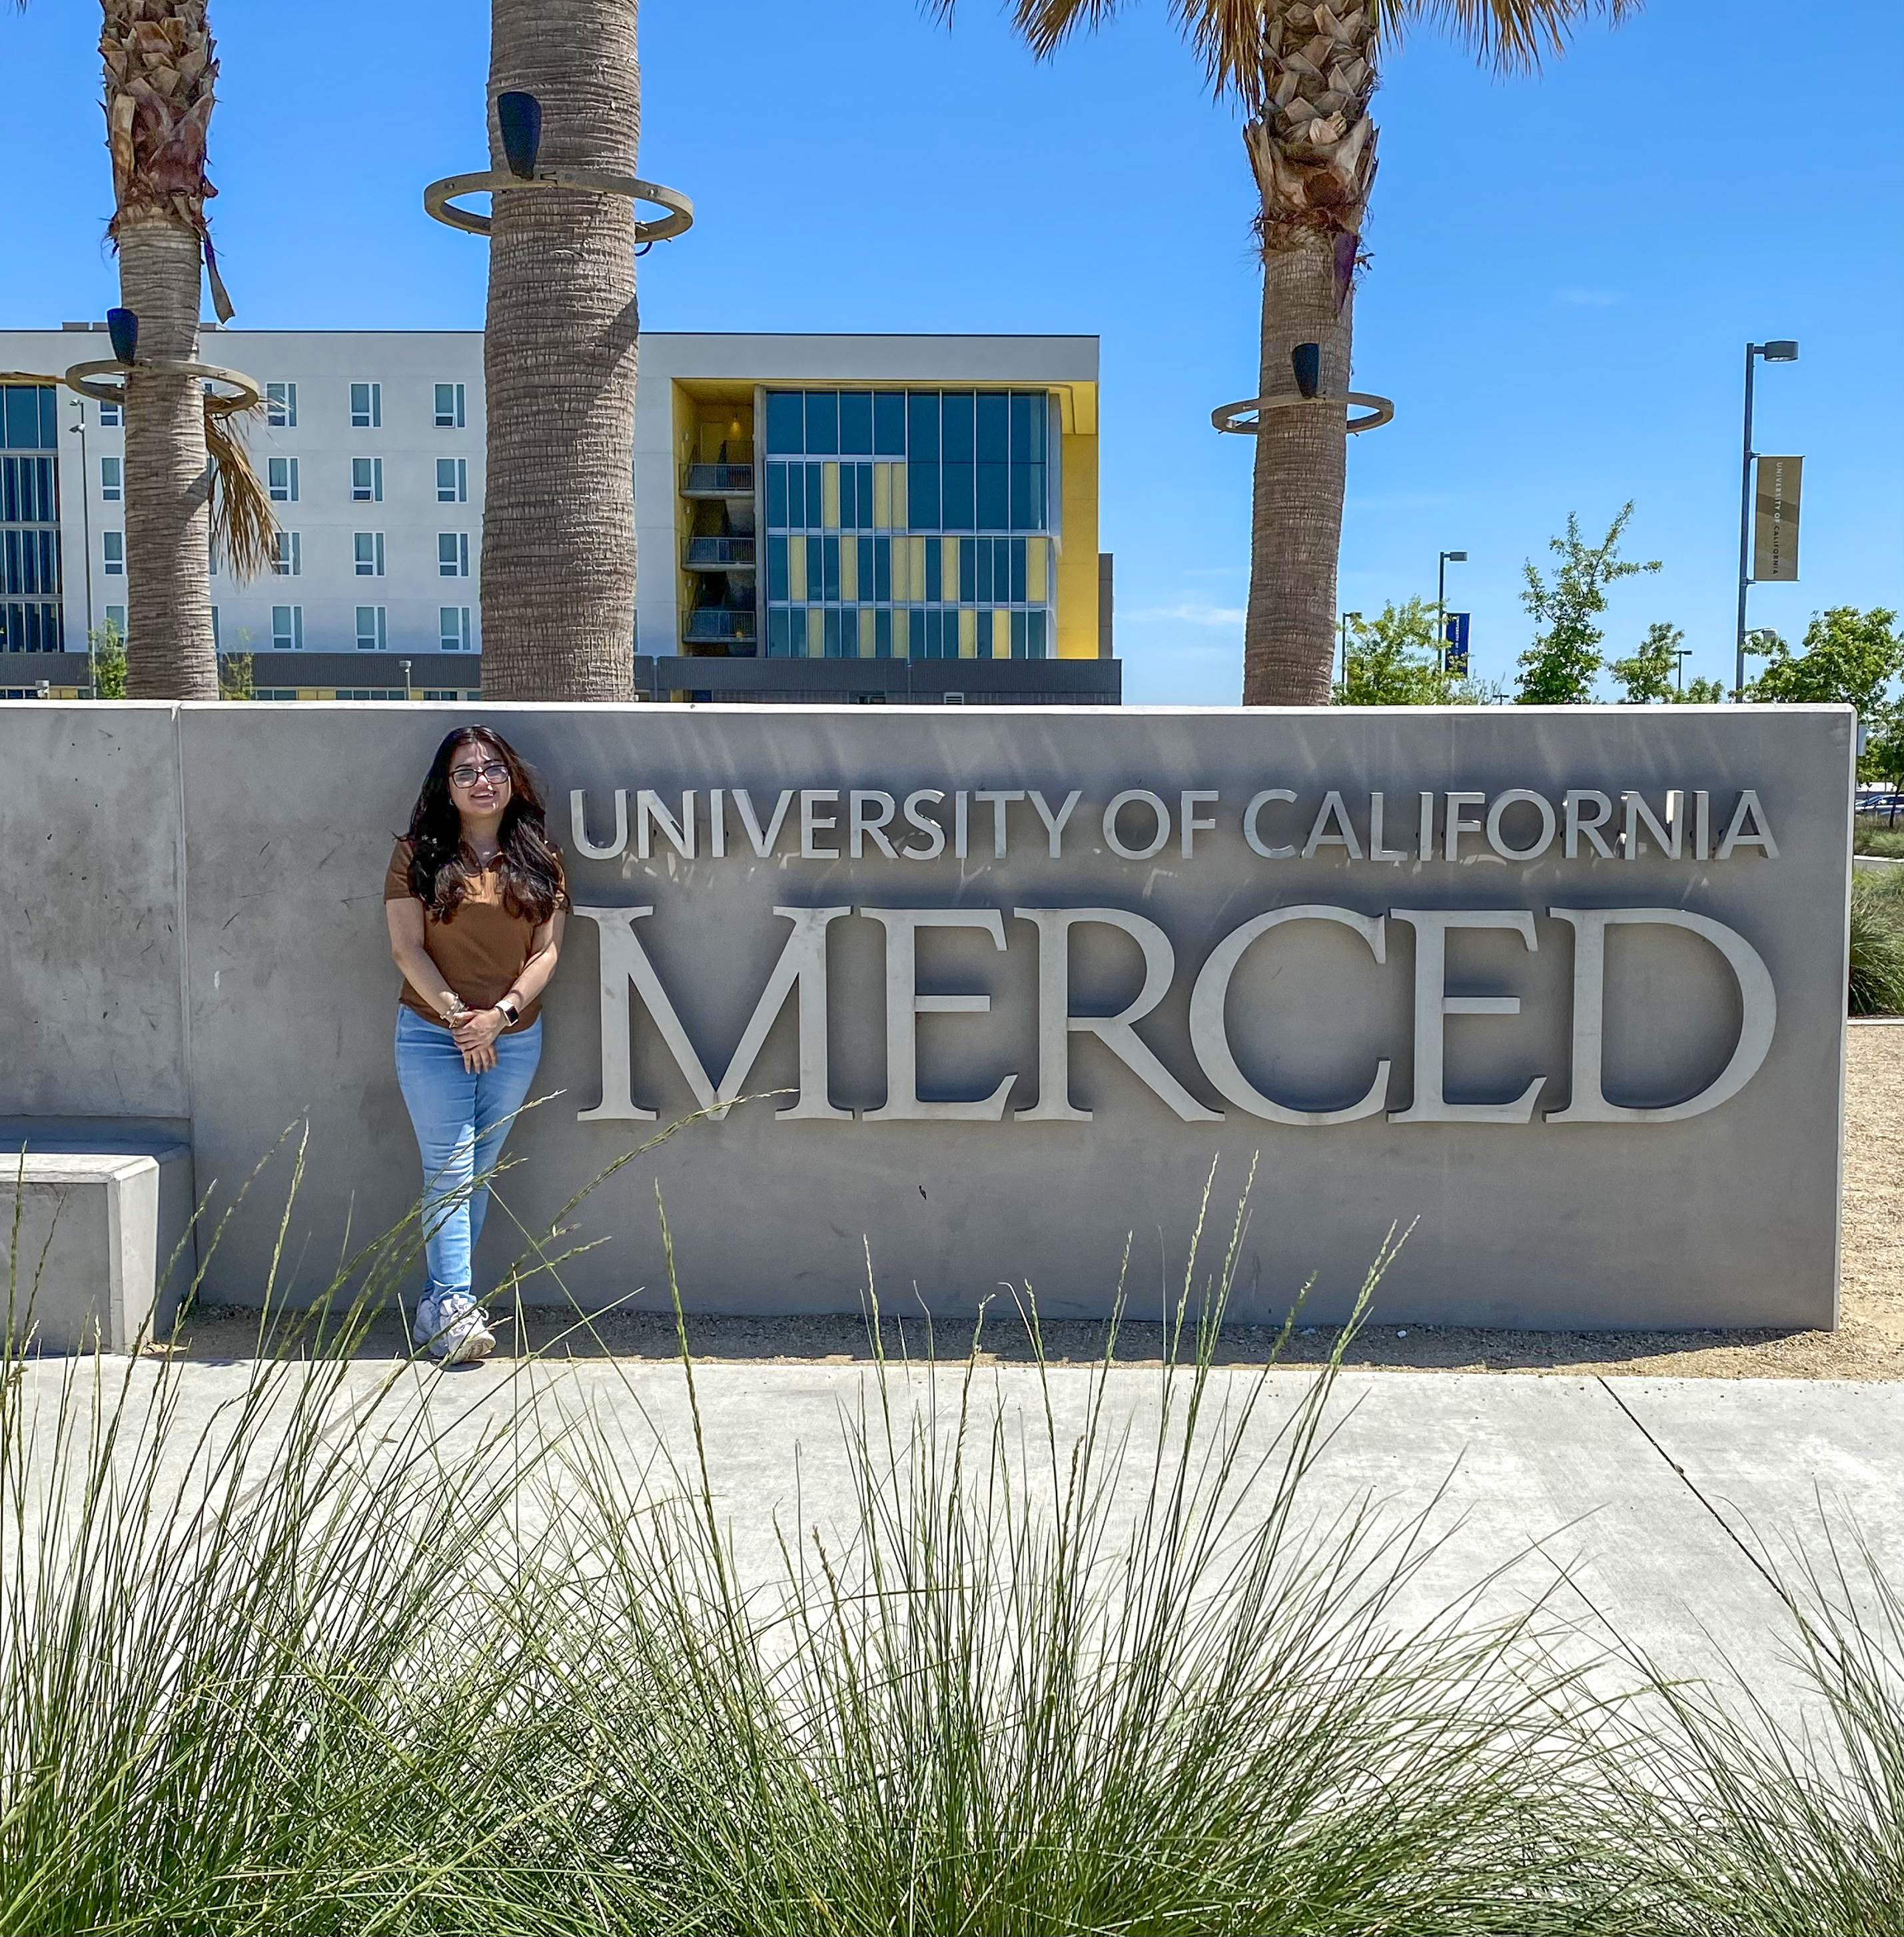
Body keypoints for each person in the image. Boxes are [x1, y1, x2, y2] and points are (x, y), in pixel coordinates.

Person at [384, 726, 567, 1363]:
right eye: (466, 772)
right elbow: (407, 950)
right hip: (433, 1036)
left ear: (512, 777)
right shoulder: (419, 854)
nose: (481, 780)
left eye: (492, 768)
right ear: (447, 786)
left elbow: (546, 953)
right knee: (452, 1165)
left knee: (477, 1170)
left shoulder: (540, 855)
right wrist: (464, 1018)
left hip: (515, 1038)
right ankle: (456, 1302)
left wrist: (502, 1016)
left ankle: (439, 1306)